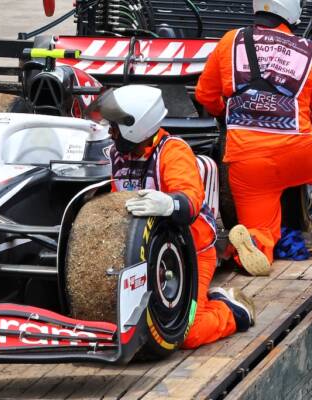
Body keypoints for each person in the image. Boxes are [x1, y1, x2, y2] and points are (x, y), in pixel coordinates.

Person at [195, 0, 312, 277]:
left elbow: (205, 95)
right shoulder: (309, 52)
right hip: (299, 152)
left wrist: (229, 116)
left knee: (261, 226)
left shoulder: (230, 42)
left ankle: (257, 244)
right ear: (293, 11)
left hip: (246, 162)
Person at [95, 85, 254, 348]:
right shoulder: (115, 155)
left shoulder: (173, 151)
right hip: (143, 253)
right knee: (123, 326)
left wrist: (169, 203)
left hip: (192, 252)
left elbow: (191, 201)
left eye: (114, 126)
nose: (110, 132)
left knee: (186, 334)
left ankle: (232, 311)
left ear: (136, 126)